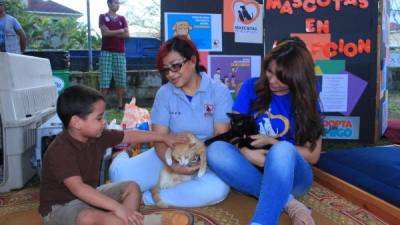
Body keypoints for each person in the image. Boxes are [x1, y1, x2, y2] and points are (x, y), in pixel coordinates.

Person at [207, 38, 323, 225]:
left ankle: (262, 221)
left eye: (281, 77)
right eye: (269, 71)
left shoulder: (308, 101)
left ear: (296, 78)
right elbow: (235, 130)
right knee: (215, 150)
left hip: (294, 177)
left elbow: (313, 155)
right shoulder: (250, 87)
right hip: (253, 168)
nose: (272, 81)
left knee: (283, 149)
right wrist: (246, 152)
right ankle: (289, 203)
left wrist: (272, 143)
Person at [109, 36, 233, 207]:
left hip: (205, 160)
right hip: (168, 156)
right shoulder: (164, 93)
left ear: (193, 60)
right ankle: (122, 157)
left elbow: (220, 138)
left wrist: (197, 161)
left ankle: (147, 198)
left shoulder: (219, 91)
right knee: (120, 178)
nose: (171, 75)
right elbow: (159, 138)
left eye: (175, 66)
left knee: (216, 191)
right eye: (165, 70)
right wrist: (173, 165)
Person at [39, 85, 188, 225]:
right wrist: (117, 208)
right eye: (99, 118)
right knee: (88, 217)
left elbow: (129, 136)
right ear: (76, 122)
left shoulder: (97, 135)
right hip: (59, 207)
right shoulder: (60, 150)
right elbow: (79, 189)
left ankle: (124, 220)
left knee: (132, 188)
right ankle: (121, 220)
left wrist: (163, 137)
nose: (104, 122)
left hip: (90, 197)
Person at [99, 0, 129, 110]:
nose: (117, 5)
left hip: (120, 53)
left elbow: (127, 35)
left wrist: (111, 32)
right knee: (104, 80)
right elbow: (104, 33)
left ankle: (120, 105)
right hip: (106, 52)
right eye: (115, 3)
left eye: (118, 3)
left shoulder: (122, 18)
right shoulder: (102, 17)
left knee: (121, 79)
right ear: (109, 4)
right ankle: (101, 106)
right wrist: (120, 30)